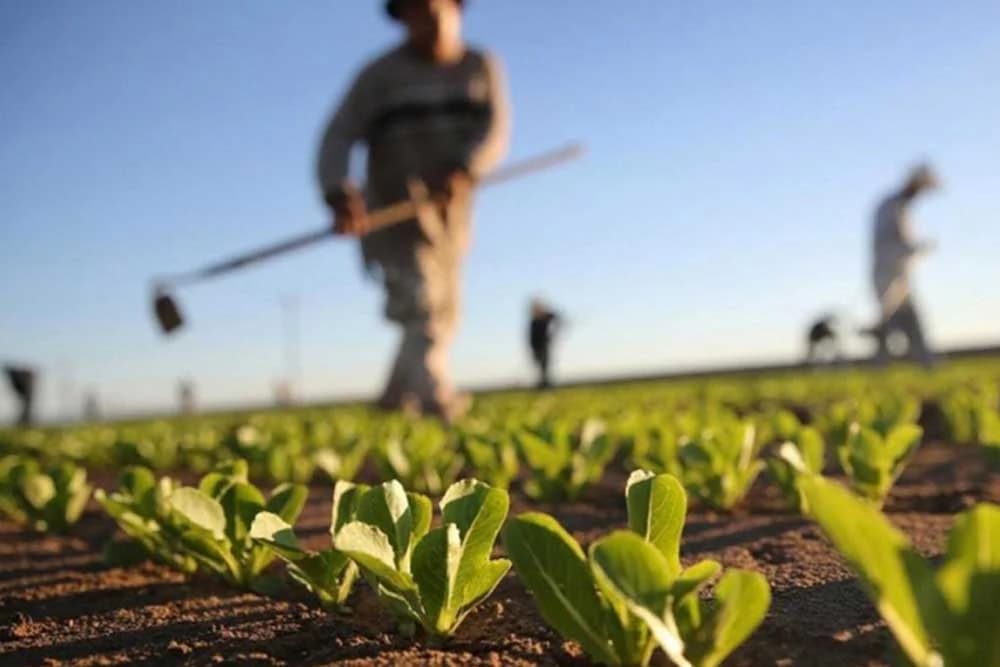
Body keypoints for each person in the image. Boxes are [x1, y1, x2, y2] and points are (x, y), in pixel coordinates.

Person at [316, 0, 510, 421]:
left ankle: (392, 400)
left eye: (436, 8)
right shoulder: (378, 77)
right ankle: (435, 401)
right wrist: (337, 191)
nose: (430, 20)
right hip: (392, 211)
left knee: (445, 310)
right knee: (420, 302)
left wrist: (466, 168)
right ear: (402, 18)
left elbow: (494, 131)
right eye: (416, 11)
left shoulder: (480, 66)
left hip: (451, 215)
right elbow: (338, 135)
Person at [869, 164, 939, 367]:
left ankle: (926, 363)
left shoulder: (901, 207)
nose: (921, 193)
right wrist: (916, 248)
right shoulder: (891, 206)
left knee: (910, 319)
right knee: (890, 321)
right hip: (887, 275)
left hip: (900, 276)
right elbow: (887, 242)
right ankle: (882, 365)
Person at [528, 299, 561, 389]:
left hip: (544, 347)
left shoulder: (546, 316)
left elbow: (557, 317)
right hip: (536, 348)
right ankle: (543, 383)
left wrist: (554, 332)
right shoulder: (533, 322)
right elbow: (531, 338)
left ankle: (546, 384)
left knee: (545, 366)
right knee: (540, 367)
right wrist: (532, 348)